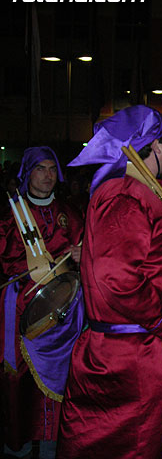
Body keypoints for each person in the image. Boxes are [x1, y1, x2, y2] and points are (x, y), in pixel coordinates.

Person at [56, 105, 162, 458]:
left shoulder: (137, 191)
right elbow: (114, 279)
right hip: (133, 358)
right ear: (157, 147)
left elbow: (142, 264)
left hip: (146, 349)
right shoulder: (124, 195)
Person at [0, 146, 83, 459]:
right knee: (19, 379)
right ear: (27, 173)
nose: (48, 175)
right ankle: (17, 442)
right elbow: (7, 260)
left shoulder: (71, 212)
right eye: (40, 169)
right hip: (23, 308)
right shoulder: (12, 214)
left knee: (62, 376)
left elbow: (86, 252)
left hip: (64, 311)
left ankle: (53, 442)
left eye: (52, 169)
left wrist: (81, 254)